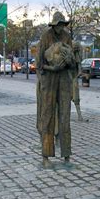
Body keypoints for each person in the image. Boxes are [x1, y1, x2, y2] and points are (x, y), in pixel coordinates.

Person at [36, 11, 75, 168]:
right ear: (53, 25)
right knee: (48, 117)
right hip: (49, 80)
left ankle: (66, 156)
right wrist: (52, 68)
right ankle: (46, 157)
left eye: (62, 25)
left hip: (64, 79)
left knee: (65, 117)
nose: (60, 28)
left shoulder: (67, 37)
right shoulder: (45, 36)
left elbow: (73, 62)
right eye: (58, 25)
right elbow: (39, 63)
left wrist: (69, 61)